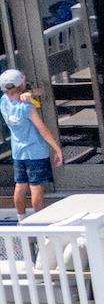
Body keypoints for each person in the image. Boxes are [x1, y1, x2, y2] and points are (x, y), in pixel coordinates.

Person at [2, 68, 62, 216]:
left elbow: (32, 92)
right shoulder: (26, 107)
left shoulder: (3, 102)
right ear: (21, 85)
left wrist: (30, 94)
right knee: (36, 188)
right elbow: (42, 129)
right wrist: (57, 149)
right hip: (35, 153)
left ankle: (22, 221)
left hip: (18, 153)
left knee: (20, 187)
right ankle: (39, 224)